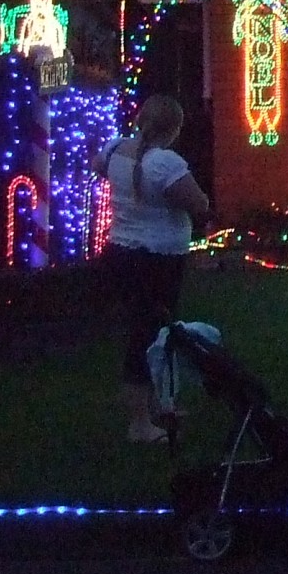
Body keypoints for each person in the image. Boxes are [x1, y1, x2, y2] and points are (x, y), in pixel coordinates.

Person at [99, 96, 211, 443]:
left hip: (123, 250)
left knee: (154, 329)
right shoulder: (165, 162)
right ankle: (139, 422)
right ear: (175, 129)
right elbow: (200, 204)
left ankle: (159, 404)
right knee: (147, 335)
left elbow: (98, 168)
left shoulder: (115, 148)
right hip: (157, 258)